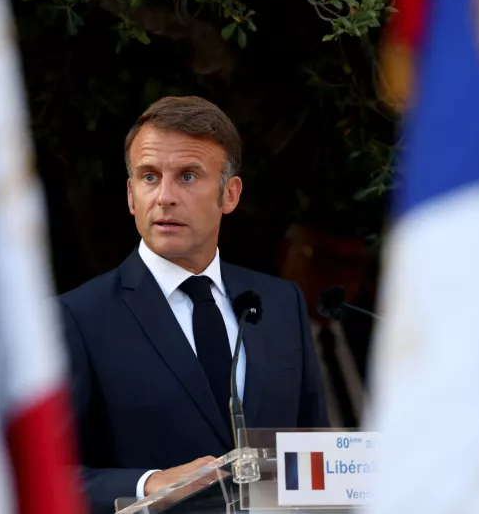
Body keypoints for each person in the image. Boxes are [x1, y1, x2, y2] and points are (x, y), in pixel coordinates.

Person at [58, 96, 329, 514]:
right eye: (150, 177)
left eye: (187, 176)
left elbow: (314, 448)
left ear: (230, 195)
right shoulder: (77, 317)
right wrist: (149, 484)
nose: (164, 196)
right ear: (131, 196)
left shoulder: (279, 303)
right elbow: (49, 476)